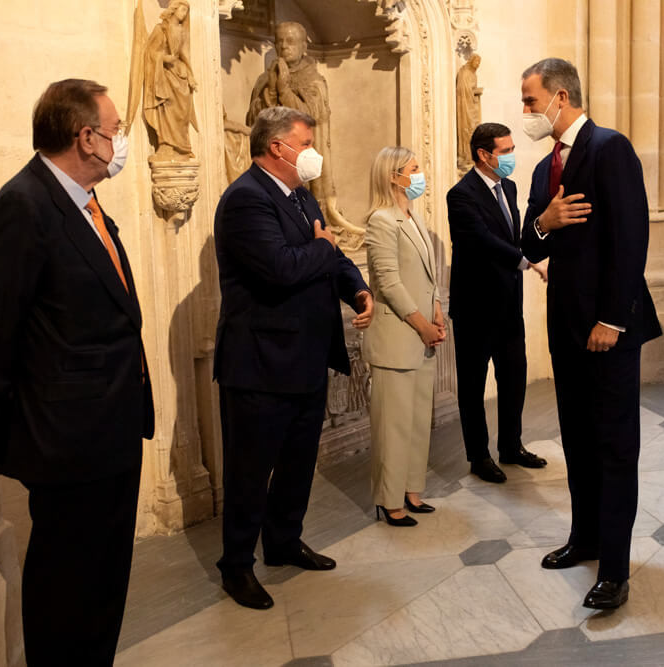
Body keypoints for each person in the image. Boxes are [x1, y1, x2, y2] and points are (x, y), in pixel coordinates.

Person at [0, 79, 154, 664]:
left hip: (114, 426)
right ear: (85, 137)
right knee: (66, 586)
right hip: (68, 437)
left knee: (104, 581)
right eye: (115, 130)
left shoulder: (87, 203)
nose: (120, 141)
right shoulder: (23, 205)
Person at [213, 106, 372, 610]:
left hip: (304, 354)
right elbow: (282, 269)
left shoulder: (301, 196)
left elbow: (332, 252)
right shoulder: (245, 200)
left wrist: (358, 289)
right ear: (277, 147)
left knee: (299, 461)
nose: (312, 152)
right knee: (249, 470)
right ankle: (236, 565)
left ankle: (282, 541)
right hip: (260, 362)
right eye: (305, 142)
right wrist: (324, 250)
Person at [519, 58, 662, 610]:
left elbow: (630, 238)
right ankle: (585, 539)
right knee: (576, 439)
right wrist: (544, 223)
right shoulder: (541, 170)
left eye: (531, 101)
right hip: (566, 326)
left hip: (608, 327)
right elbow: (531, 247)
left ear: (560, 96)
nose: (527, 112)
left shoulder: (609, 148)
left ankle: (616, 569)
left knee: (614, 444)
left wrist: (613, 318)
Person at [447, 122, 548, 484]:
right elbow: (482, 241)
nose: (510, 157)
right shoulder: (460, 195)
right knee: (473, 385)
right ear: (483, 155)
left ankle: (511, 446)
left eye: (510, 149)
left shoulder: (509, 186)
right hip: (476, 307)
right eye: (504, 151)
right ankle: (478, 456)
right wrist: (526, 262)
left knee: (514, 377)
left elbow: (513, 235)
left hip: (508, 305)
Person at [362, 146, 443, 526]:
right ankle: (389, 500)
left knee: (415, 422)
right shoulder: (381, 220)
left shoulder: (413, 218)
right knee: (392, 426)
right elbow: (389, 283)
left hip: (423, 336)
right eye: (413, 168)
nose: (419, 174)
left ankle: (412, 491)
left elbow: (428, 275)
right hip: (399, 336)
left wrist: (438, 309)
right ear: (394, 176)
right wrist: (422, 324)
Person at [247, 21, 364, 248]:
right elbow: (255, 121)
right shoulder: (265, 78)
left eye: (290, 41)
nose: (283, 46)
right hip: (272, 161)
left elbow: (309, 116)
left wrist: (284, 89)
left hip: (302, 157)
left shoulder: (314, 80)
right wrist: (270, 90)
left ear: (304, 47)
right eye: (279, 41)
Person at [144, 0, 198, 160]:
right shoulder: (161, 29)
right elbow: (150, 52)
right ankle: (166, 145)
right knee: (167, 108)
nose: (184, 14)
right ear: (173, 9)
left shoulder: (182, 31)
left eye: (186, 11)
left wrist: (191, 74)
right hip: (165, 76)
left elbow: (185, 54)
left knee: (182, 112)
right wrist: (163, 58)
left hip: (179, 74)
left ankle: (182, 148)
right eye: (182, 10)